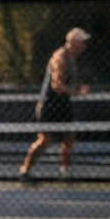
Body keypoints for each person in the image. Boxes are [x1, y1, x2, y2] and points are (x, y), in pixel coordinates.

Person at [19, 27, 91, 183]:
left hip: (64, 103)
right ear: (74, 42)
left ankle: (65, 173)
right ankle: (25, 171)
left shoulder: (72, 59)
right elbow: (57, 85)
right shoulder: (60, 56)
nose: (84, 46)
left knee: (68, 138)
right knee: (44, 140)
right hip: (51, 104)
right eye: (82, 42)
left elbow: (69, 81)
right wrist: (77, 93)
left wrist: (79, 86)